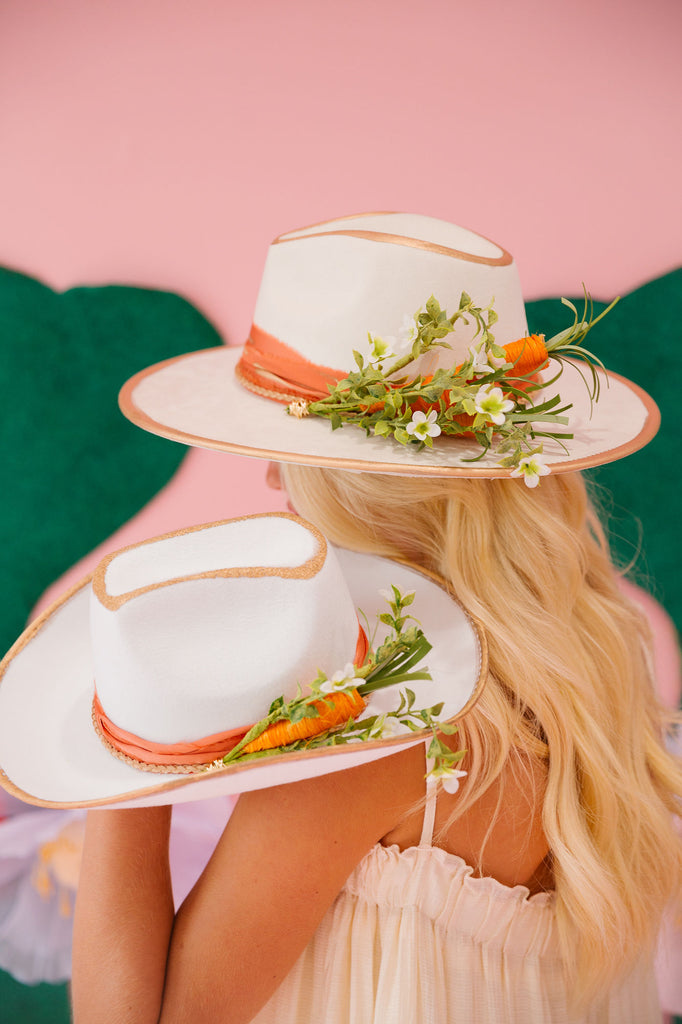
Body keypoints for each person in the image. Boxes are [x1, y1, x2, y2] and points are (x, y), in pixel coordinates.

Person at [6, 214, 682, 1022]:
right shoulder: (590, 682)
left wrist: (130, 744)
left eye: (287, 451)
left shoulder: (384, 728)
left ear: (361, 483)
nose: (266, 478)